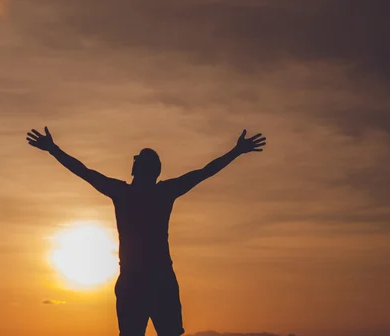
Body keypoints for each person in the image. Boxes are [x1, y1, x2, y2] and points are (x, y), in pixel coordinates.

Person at [26, 127, 266, 336]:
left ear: (135, 168)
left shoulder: (124, 193)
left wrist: (53, 149)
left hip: (137, 280)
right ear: (156, 171)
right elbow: (204, 172)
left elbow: (84, 172)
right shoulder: (162, 192)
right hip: (156, 279)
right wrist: (235, 152)